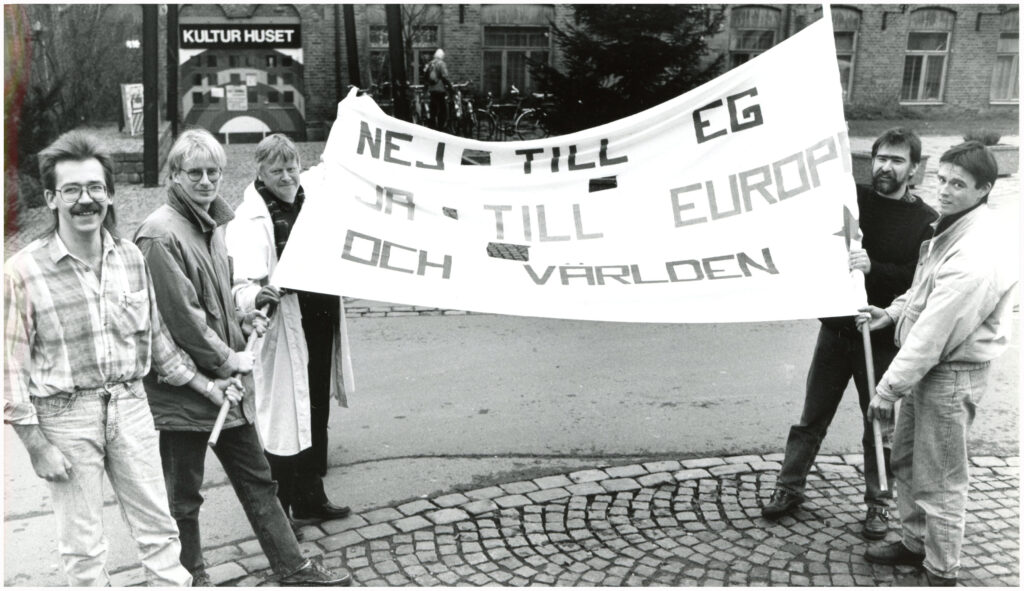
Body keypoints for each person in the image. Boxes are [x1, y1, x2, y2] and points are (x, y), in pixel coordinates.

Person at [3, 130, 243, 586]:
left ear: (110, 194)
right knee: (84, 548)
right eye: (71, 190)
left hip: (132, 408)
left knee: (160, 533)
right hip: (66, 417)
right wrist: (37, 447)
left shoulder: (130, 258)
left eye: (95, 188)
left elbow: (159, 347)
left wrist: (210, 387)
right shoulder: (22, 272)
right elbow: (9, 372)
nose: (85, 200)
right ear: (52, 198)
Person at [134, 128, 350, 587]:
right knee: (184, 497)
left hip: (228, 387)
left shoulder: (211, 223)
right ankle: (191, 577)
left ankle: (293, 567)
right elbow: (183, 319)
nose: (207, 181)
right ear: (175, 174)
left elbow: (218, 299)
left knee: (258, 481)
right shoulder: (158, 234)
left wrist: (245, 316)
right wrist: (230, 361)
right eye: (195, 172)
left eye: (214, 171)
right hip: (184, 393)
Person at [761, 128, 938, 541]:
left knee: (877, 422)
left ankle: (878, 503)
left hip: (877, 336)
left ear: (914, 168)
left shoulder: (925, 220)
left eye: (896, 160)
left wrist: (874, 268)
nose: (885, 167)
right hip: (836, 328)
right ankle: (789, 488)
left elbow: (920, 281)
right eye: (880, 157)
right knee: (811, 417)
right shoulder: (849, 200)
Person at [859, 141, 1017, 586]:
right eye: (942, 179)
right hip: (931, 370)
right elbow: (924, 289)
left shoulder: (975, 253)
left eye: (959, 185)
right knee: (906, 459)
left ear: (984, 189)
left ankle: (941, 570)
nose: (945, 190)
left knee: (942, 479)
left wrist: (887, 390)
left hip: (950, 376)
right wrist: (891, 312)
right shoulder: (953, 227)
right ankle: (914, 542)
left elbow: (934, 330)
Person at [225, 133, 353, 527]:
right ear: (260, 172)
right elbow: (241, 285)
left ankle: (311, 497)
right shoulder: (251, 219)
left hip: (319, 312)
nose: (287, 177)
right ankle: (280, 513)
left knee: (314, 406)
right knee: (283, 415)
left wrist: (357, 118)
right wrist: (253, 297)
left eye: (291, 167)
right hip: (283, 321)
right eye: (277, 170)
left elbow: (335, 167)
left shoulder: (307, 194)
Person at [423, 48, 452, 131]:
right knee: (443, 110)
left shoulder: (430, 64)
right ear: (442, 56)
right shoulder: (441, 64)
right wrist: (450, 87)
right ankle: (440, 128)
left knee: (433, 110)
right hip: (440, 90)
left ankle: (432, 127)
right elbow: (444, 77)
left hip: (432, 90)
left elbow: (425, 76)